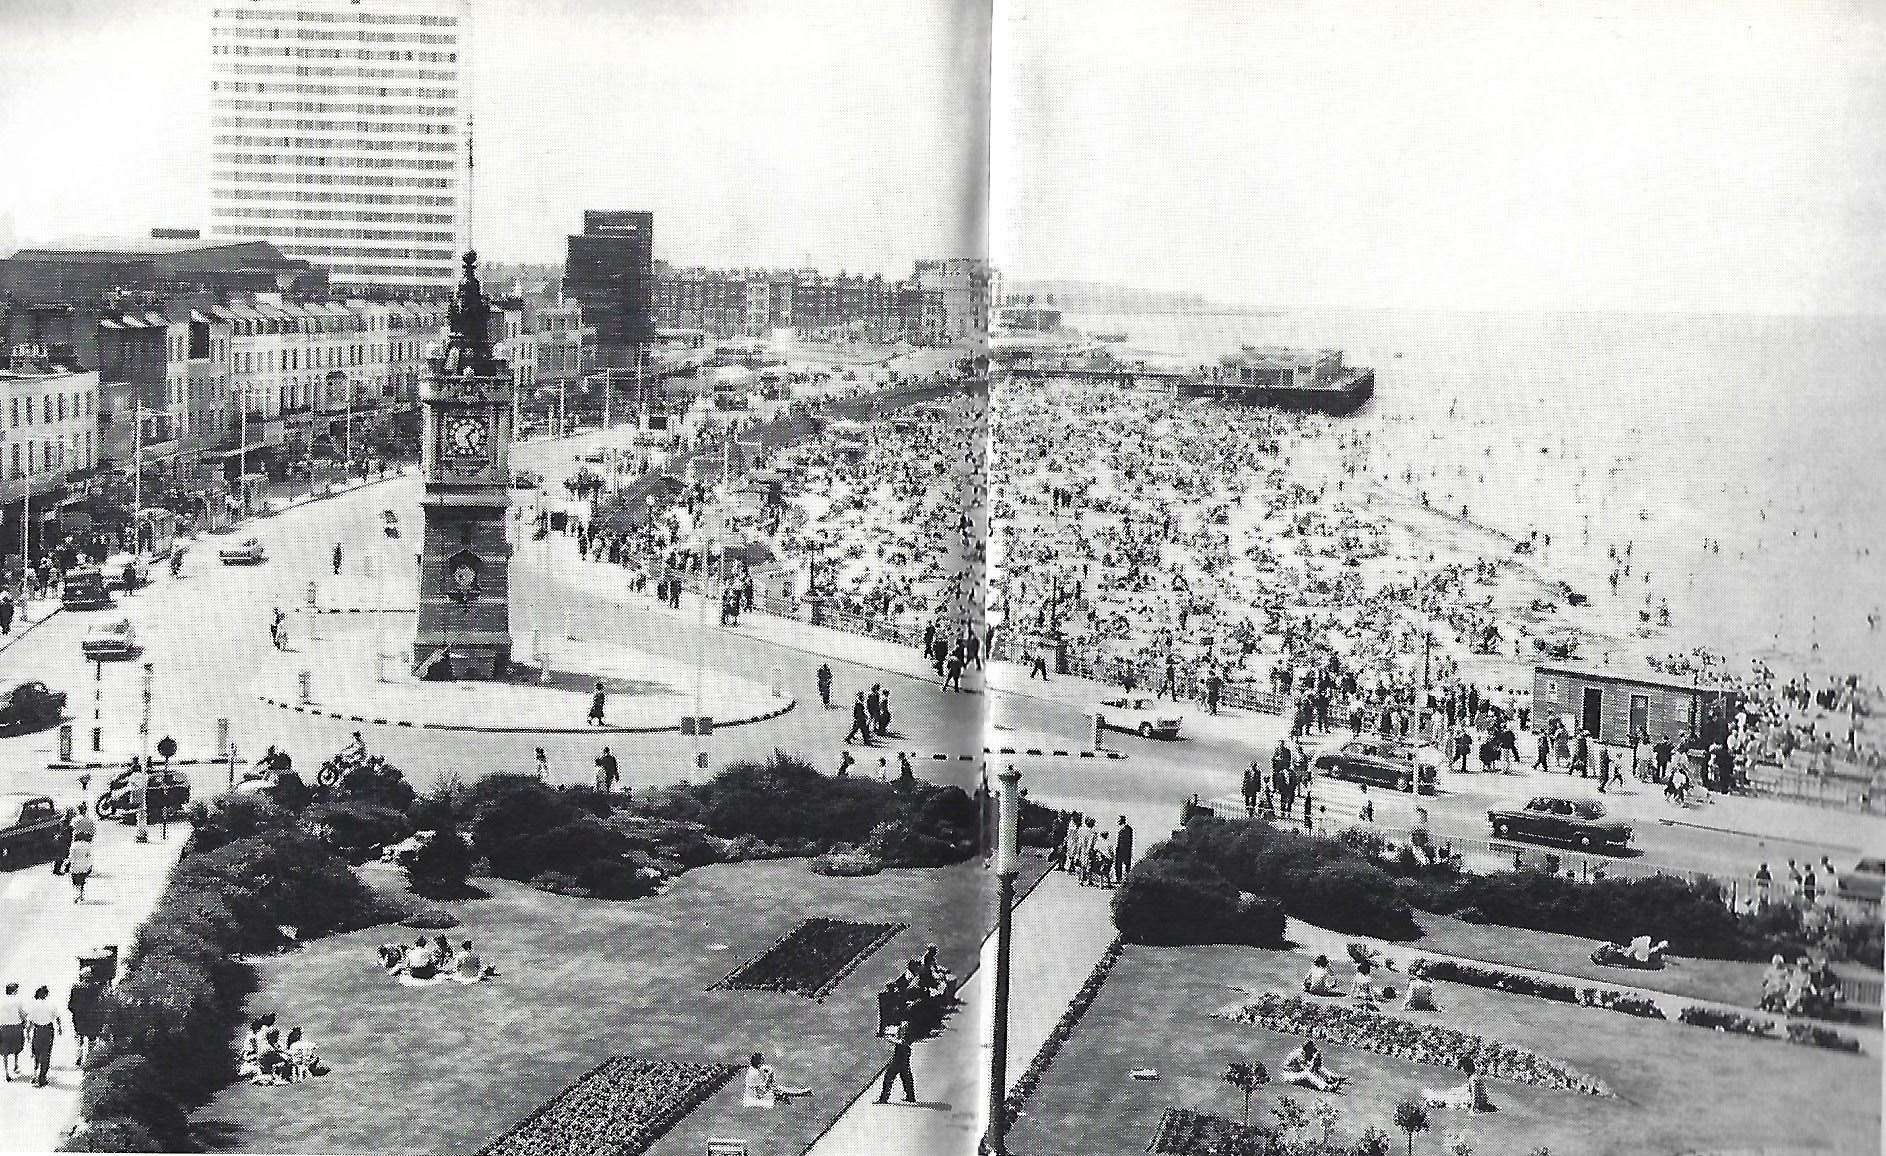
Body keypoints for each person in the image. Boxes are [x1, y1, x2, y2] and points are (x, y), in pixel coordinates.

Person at [1424, 1056, 1492, 1112]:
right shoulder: (1477, 1076)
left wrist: (1472, 1110)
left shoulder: (1472, 1079)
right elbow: (1483, 1094)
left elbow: (1475, 1096)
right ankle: (1435, 1100)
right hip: (1481, 1103)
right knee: (1455, 1094)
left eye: (1463, 1069)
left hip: (1476, 1104)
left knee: (1450, 1100)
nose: (1463, 1071)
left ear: (1466, 1069)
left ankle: (1433, 1101)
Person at [742, 1052, 810, 1108]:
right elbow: (760, 1094)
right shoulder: (754, 1073)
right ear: (758, 1062)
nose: (763, 1062)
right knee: (780, 1090)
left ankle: (799, 1093)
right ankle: (800, 1093)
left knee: (780, 1088)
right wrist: (768, 1081)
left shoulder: (755, 1069)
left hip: (760, 1092)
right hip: (756, 1098)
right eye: (762, 1060)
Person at [66, 966, 104, 1067]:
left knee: (79, 1038)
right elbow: (100, 1003)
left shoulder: (76, 987)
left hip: (79, 1018)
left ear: (82, 976)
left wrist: (75, 1012)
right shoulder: (97, 988)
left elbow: (70, 1005)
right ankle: (89, 1059)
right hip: (93, 1019)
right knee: (92, 1039)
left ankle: (79, 1058)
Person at [24, 985, 59, 1087]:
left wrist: (28, 1032)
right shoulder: (51, 1004)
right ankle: (42, 1077)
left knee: (36, 1052)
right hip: (48, 1029)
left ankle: (35, 1074)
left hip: (37, 1029)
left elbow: (30, 1021)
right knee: (46, 1052)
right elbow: (57, 1017)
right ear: (46, 994)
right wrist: (60, 1028)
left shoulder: (33, 1005)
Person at [876, 1018, 917, 1105]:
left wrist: (890, 1039)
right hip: (903, 1053)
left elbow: (902, 1041)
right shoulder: (907, 1025)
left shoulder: (908, 1029)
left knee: (889, 1077)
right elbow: (901, 1039)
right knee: (906, 1077)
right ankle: (911, 1097)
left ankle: (883, 1099)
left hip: (901, 1054)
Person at [1278, 1040, 1344, 1092]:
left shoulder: (1305, 1053)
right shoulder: (1299, 1054)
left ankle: (1333, 1078)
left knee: (1318, 1068)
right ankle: (1326, 1087)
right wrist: (1313, 1061)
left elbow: (1312, 1067)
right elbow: (1306, 1070)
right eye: (1311, 1050)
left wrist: (1316, 1063)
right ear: (1307, 1049)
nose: (1312, 1052)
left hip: (1296, 1072)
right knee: (1307, 1074)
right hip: (1289, 1075)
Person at [1, 983, 24, 1081]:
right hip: (16, 1026)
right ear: (14, 991)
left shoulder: (1, 1000)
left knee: (4, 1050)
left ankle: (6, 1073)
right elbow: (22, 1014)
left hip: (3, 1027)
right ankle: (15, 1065)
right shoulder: (17, 1001)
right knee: (16, 1047)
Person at [67, 835, 93, 903]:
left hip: (75, 866)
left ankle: (77, 894)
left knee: (75, 881)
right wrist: (90, 865)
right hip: (84, 865)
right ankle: (81, 894)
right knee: (82, 881)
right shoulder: (87, 845)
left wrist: (67, 863)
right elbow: (88, 856)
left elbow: (71, 856)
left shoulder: (74, 845)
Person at [1114, 816, 1134, 883]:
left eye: (1118, 820)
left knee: (1127, 865)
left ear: (1122, 821)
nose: (1117, 822)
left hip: (1125, 850)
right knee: (1118, 865)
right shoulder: (1121, 829)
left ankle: (1126, 880)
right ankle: (1119, 879)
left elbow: (1128, 841)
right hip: (1120, 849)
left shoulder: (1128, 829)